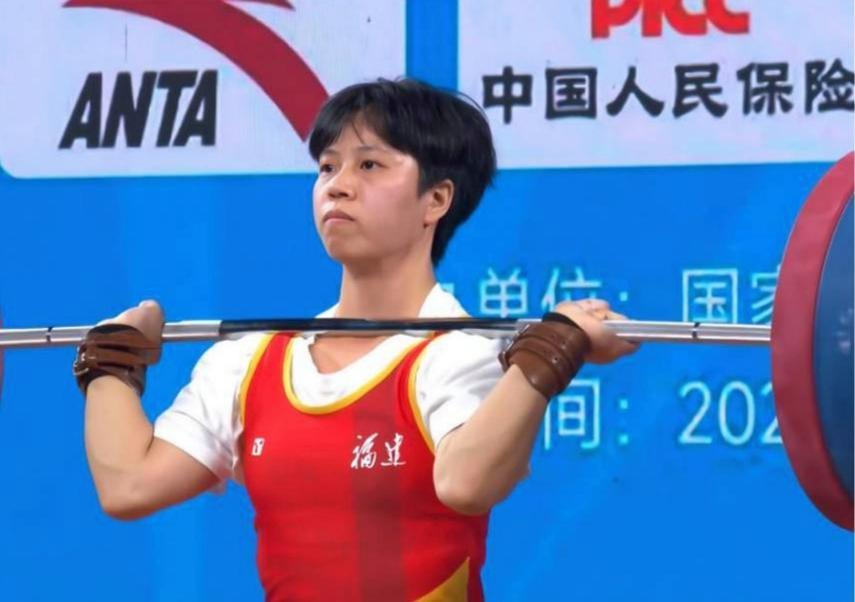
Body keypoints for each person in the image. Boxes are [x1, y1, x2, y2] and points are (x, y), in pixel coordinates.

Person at [73, 78, 637, 601]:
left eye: (369, 165)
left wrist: (550, 352)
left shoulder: (461, 351)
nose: (338, 186)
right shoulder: (247, 360)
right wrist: (113, 361)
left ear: (436, 200)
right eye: (327, 167)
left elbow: (466, 483)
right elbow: (129, 485)